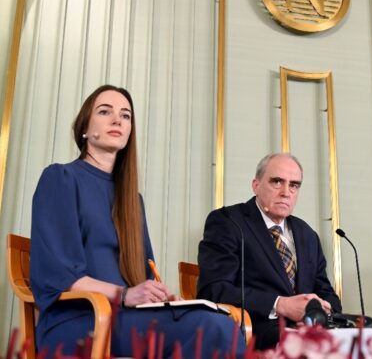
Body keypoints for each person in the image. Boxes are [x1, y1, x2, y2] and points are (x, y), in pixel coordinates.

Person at [30, 85, 244, 357]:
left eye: (126, 115)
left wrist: (159, 297)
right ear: (85, 127)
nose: (117, 119)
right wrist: (123, 294)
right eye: (105, 111)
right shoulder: (61, 179)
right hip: (77, 320)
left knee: (224, 325)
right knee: (212, 328)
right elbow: (57, 275)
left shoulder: (133, 200)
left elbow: (142, 275)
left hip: (126, 317)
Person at [197, 153, 341, 350]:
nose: (286, 192)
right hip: (256, 330)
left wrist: (317, 314)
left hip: (307, 330)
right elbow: (214, 289)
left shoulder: (307, 234)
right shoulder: (228, 222)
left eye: (294, 185)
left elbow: (326, 293)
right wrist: (281, 305)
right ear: (256, 185)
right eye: (277, 182)